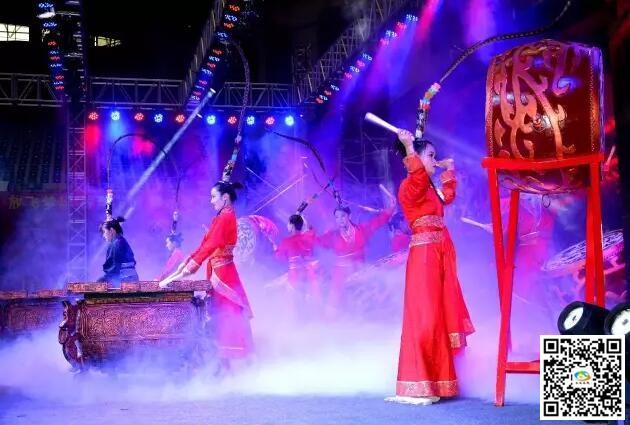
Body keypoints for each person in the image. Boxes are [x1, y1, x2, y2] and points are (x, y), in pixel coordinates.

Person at [387, 129, 474, 405]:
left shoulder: (430, 188)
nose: (435, 160)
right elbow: (417, 177)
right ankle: (419, 382)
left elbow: (447, 197)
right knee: (426, 317)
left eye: (435, 156)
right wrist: (408, 147)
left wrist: (450, 170)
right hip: (423, 255)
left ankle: (441, 383)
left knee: (441, 314)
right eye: (431, 156)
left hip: (440, 253)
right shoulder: (409, 186)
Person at [159, 181, 253, 373]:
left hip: (223, 275)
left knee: (225, 317)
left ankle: (230, 367)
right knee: (219, 317)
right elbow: (205, 244)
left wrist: (186, 270)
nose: (211, 201)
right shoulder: (223, 216)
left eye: (213, 197)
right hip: (219, 271)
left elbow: (209, 247)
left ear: (225, 197)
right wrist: (184, 266)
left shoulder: (225, 217)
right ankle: (224, 367)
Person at [318, 202, 394, 313]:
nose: (340, 220)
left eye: (343, 216)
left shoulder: (361, 230)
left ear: (349, 216)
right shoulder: (333, 235)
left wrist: (389, 210)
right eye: (337, 217)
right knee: (338, 304)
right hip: (341, 275)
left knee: (365, 301)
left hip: (359, 271)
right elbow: (316, 241)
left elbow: (376, 222)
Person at [273, 214, 320, 318]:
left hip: (295, 277)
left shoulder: (286, 242)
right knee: (308, 301)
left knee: (295, 303)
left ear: (292, 226)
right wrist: (303, 221)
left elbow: (280, 258)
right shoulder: (308, 237)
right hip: (309, 275)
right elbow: (311, 229)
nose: (287, 225)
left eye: (288, 223)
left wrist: (275, 249)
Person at [97, 216, 139, 286]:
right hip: (131, 278)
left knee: (99, 284)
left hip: (123, 279)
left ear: (111, 230)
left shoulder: (116, 243)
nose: (103, 235)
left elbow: (114, 267)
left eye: (104, 232)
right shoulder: (121, 241)